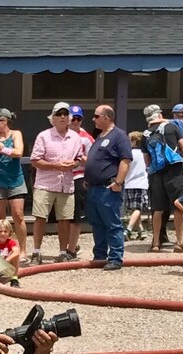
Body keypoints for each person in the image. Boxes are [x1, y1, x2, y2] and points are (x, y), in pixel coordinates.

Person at [30, 102, 86, 264]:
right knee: (40, 218)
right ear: (52, 118)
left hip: (66, 184)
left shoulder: (75, 137)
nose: (63, 117)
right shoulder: (44, 136)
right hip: (45, 184)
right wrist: (56, 166)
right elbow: (35, 160)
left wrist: (73, 164)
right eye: (59, 114)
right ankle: (36, 252)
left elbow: (78, 158)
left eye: (65, 114)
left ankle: (63, 252)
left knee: (65, 219)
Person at [83, 105, 132, 270]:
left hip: (108, 188)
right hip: (94, 187)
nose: (93, 119)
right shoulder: (100, 136)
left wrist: (118, 182)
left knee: (112, 223)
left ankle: (116, 258)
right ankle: (100, 255)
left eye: (96, 116)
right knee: (97, 223)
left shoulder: (119, 136)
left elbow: (125, 160)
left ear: (106, 117)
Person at [141, 104, 183, 253]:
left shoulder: (146, 134)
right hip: (174, 172)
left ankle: (155, 243)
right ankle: (179, 242)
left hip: (156, 174)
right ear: (160, 114)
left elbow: (147, 160)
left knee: (157, 209)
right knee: (178, 206)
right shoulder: (171, 127)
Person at [0, 108, 28, 258]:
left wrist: (2, 148)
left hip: (15, 179)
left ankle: (22, 250)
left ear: (5, 121)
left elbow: (19, 152)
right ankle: (1, 250)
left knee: (18, 215)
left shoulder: (16, 134)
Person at [67, 105, 96, 261]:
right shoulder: (61, 134)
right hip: (62, 177)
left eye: (79, 119)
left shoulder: (86, 138)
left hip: (79, 176)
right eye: (73, 118)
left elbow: (92, 161)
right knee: (63, 215)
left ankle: (71, 248)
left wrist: (79, 159)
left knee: (75, 215)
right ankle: (68, 244)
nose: (76, 122)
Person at [123, 132, 150, 241]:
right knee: (137, 208)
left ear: (134, 141)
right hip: (141, 183)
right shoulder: (144, 154)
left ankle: (134, 230)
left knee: (135, 208)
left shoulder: (129, 154)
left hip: (129, 183)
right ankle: (133, 230)